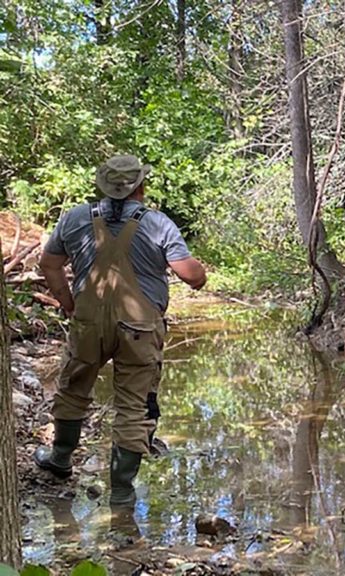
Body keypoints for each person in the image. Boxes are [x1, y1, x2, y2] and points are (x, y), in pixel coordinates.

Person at [35, 154, 206, 506]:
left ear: (103, 186)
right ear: (140, 187)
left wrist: (68, 303)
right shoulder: (158, 224)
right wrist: (197, 269)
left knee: (73, 388)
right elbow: (192, 277)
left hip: (87, 322)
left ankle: (60, 460)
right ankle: (122, 493)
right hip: (141, 328)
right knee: (133, 405)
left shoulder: (75, 218)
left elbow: (49, 264)